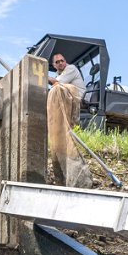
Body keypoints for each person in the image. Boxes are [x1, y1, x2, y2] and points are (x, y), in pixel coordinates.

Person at [46, 52, 92, 188]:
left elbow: (56, 84)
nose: (61, 63)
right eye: (58, 62)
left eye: (62, 60)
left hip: (79, 99)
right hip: (69, 98)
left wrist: (42, 75)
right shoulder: (59, 74)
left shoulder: (71, 69)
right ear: (54, 65)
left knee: (58, 89)